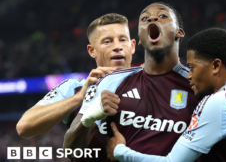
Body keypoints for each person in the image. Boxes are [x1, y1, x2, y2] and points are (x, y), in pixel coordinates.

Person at [108, 28, 226, 162]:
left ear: (216, 65)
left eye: (192, 67)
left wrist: (120, 151)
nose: (189, 75)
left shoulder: (219, 102)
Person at [63, 2, 198, 159]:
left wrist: (122, 153)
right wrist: (88, 118)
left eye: (162, 16)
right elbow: (71, 151)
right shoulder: (111, 82)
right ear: (139, 38)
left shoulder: (197, 84)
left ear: (179, 32)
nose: (152, 19)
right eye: (144, 18)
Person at [16, 13, 136, 162]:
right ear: (92, 51)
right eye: (107, 41)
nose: (117, 46)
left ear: (132, 46)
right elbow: (25, 126)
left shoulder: (156, 85)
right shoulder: (74, 87)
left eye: (122, 39)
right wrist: (80, 98)